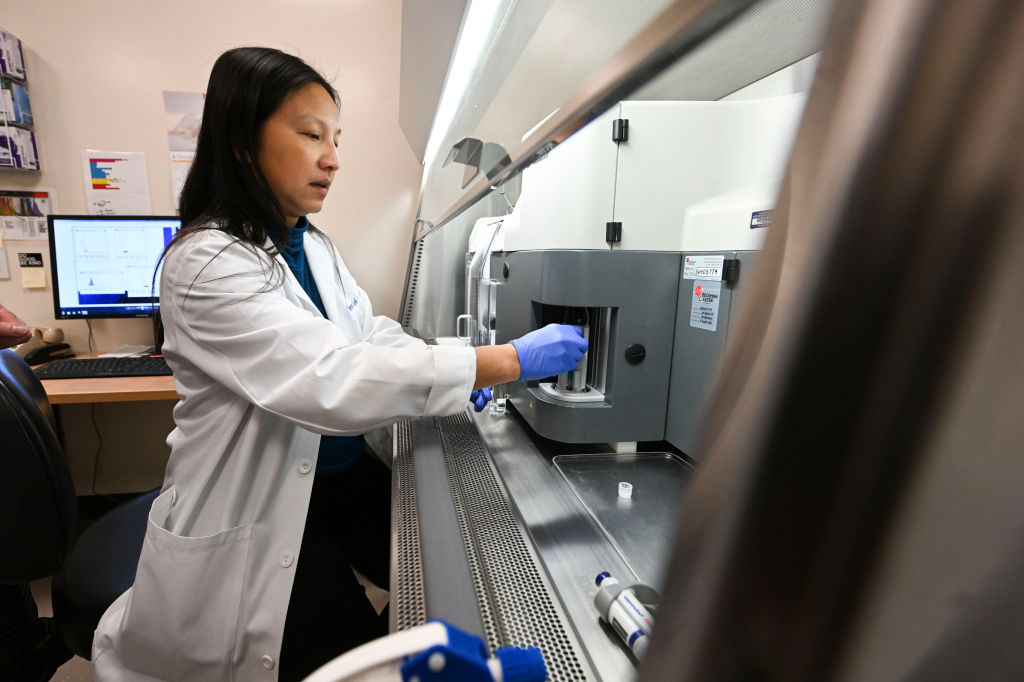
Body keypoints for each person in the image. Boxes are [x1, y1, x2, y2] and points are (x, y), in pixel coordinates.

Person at [91, 47, 586, 681]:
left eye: (336, 138)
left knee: (458, 582)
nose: (333, 157)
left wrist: (463, 365)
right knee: (356, 663)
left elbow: (365, 334)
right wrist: (507, 360)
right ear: (243, 141)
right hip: (258, 511)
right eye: (310, 134)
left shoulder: (312, 243)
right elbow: (329, 379)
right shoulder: (205, 264)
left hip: (339, 480)